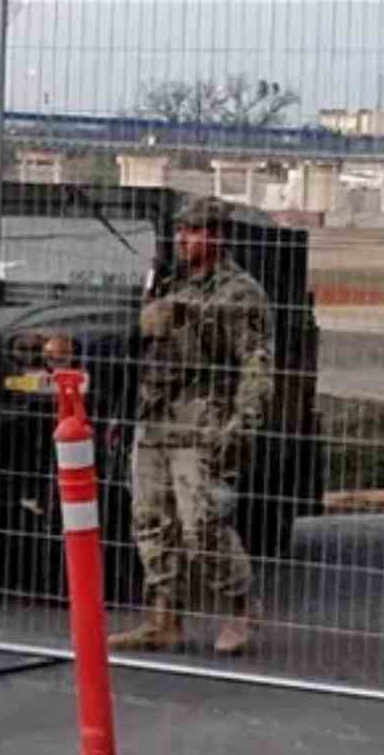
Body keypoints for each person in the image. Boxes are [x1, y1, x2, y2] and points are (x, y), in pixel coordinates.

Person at [110, 196, 274, 656]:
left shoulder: (239, 293)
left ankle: (241, 609)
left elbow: (256, 362)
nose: (184, 240)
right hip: (155, 417)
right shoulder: (168, 282)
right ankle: (163, 619)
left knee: (201, 525)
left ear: (218, 236)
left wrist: (243, 421)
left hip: (202, 422)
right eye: (181, 230)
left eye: (195, 231)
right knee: (150, 520)